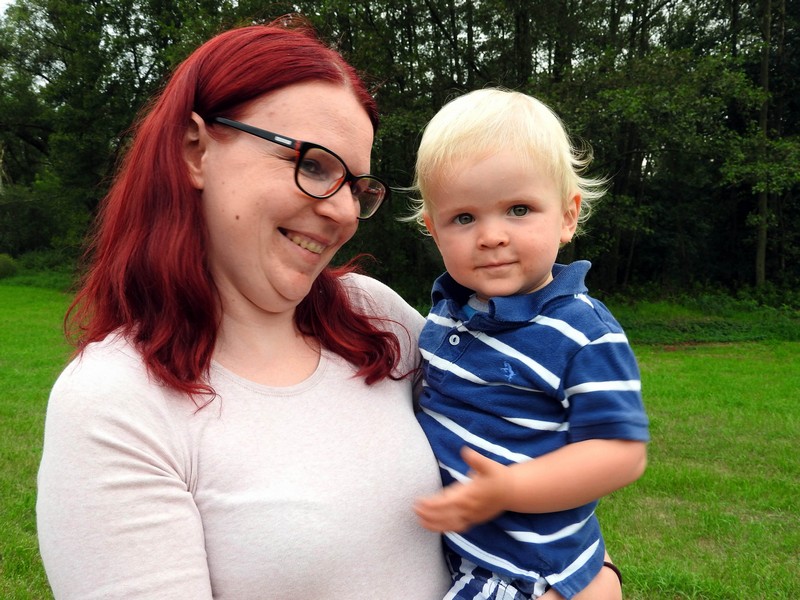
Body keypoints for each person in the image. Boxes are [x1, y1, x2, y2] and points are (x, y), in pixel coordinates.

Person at [36, 20, 623, 600]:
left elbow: (528, 454)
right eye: (314, 164)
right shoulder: (115, 403)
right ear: (196, 151)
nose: (343, 212)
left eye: (356, 186)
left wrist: (592, 578)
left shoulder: (378, 319)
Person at [408, 88, 650, 600]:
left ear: (567, 217)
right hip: (462, 552)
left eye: (518, 209)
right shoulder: (446, 312)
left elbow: (621, 453)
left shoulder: (582, 330)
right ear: (433, 230)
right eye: (464, 218)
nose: (491, 236)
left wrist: (510, 489)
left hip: (526, 570)